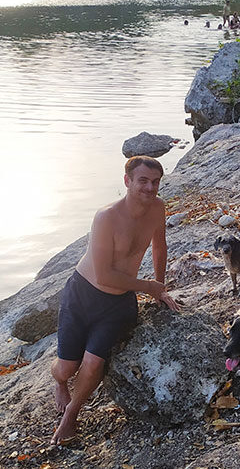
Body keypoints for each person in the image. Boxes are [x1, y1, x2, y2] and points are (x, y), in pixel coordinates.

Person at [50, 156, 179, 445]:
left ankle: (72, 413)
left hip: (117, 304)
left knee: (94, 364)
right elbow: (105, 276)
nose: (150, 188)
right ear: (127, 181)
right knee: (67, 369)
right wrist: (148, 286)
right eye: (143, 181)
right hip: (83, 295)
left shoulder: (158, 208)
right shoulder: (106, 217)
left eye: (155, 182)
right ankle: (59, 381)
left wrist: (161, 286)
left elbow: (160, 245)